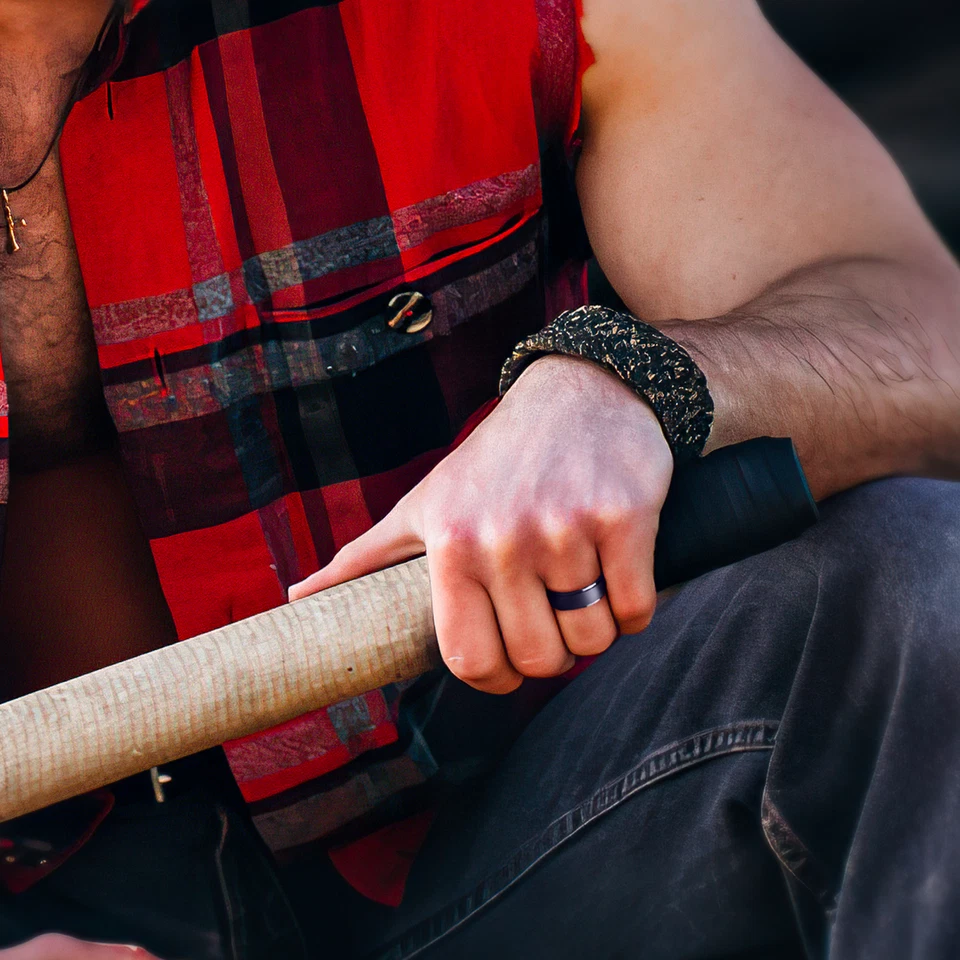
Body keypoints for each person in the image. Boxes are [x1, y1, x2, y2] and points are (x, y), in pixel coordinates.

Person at [0, 0, 958, 957]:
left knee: (908, 579)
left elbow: (928, 340)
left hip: (499, 848)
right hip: (48, 899)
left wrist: (630, 384)